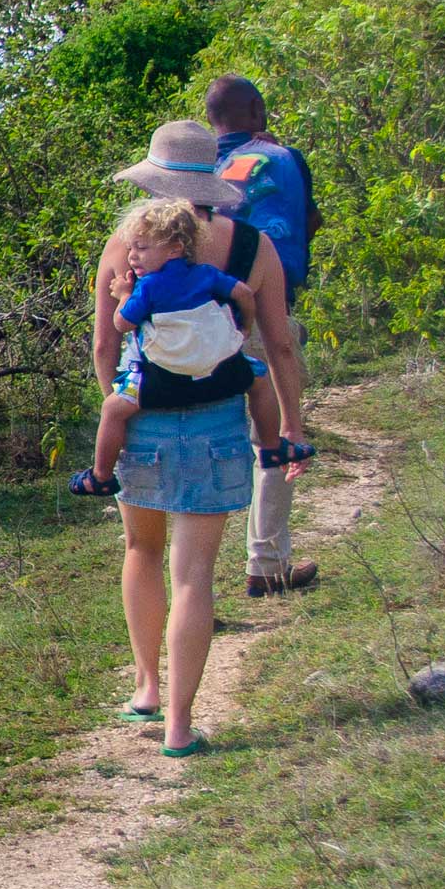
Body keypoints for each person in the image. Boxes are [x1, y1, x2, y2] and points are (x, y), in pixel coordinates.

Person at [91, 120, 310, 756]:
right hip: (220, 419)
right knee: (195, 576)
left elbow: (106, 340)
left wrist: (124, 395)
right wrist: (290, 424)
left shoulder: (128, 243)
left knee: (141, 550)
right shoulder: (252, 246)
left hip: (145, 419)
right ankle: (181, 727)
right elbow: (278, 341)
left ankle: (145, 688)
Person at [71, 197, 309, 496]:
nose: (132, 256)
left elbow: (120, 325)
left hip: (161, 378)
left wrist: (123, 294)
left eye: (141, 248)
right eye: (131, 248)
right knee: (260, 382)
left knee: (113, 409)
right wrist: (245, 327)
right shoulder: (206, 274)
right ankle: (272, 447)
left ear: (175, 248)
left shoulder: (148, 288)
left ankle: (101, 475)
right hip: (219, 370)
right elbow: (245, 294)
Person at [207, 74, 323, 596]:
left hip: (191, 322)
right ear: (256, 110)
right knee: (271, 439)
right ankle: (267, 560)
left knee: (201, 437)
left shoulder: (186, 167)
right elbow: (307, 222)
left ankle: (194, 582)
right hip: (262, 308)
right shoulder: (282, 160)